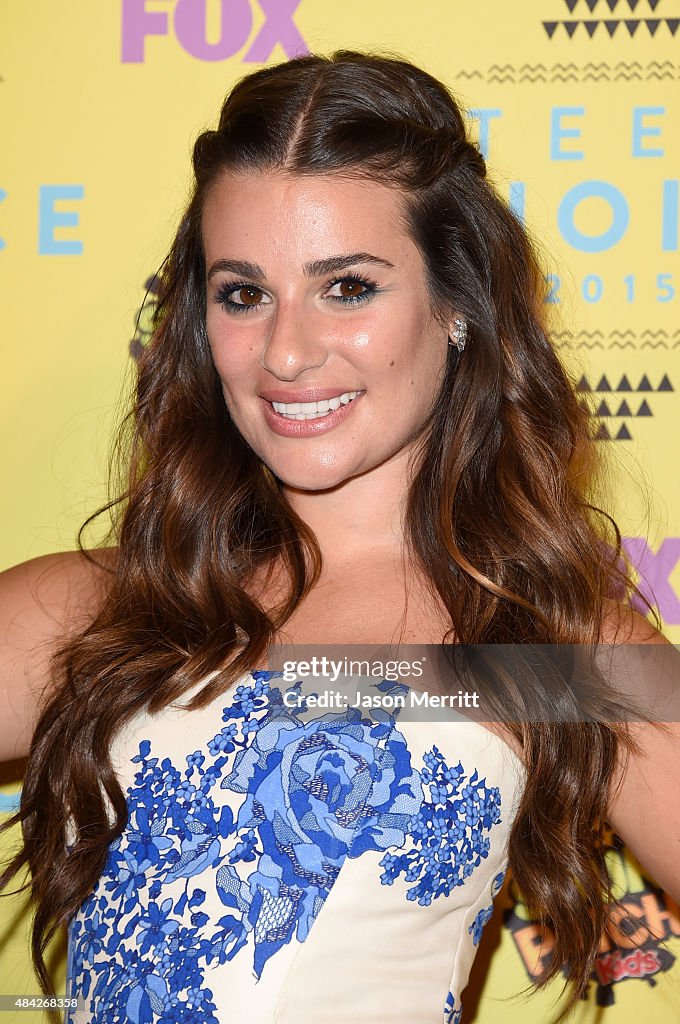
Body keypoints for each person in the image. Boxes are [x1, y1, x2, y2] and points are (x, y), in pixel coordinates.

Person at [0, 49, 678, 1024]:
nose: (285, 350)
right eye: (242, 293)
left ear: (456, 308)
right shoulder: (96, 606)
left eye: (346, 287)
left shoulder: (553, 646)